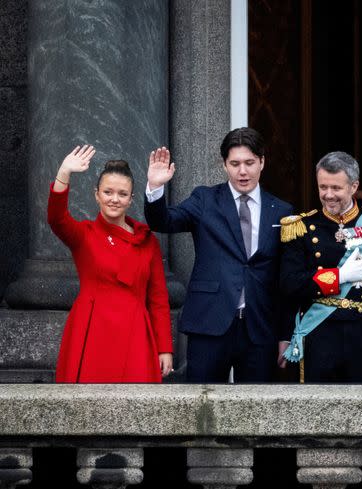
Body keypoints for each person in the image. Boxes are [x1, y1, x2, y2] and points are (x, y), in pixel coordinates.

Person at [144, 127, 293, 383]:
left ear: (262, 162)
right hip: (209, 323)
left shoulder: (281, 210)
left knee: (256, 410)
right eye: (234, 163)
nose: (242, 171)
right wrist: (155, 188)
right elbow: (164, 221)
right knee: (202, 408)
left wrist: (285, 334)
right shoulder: (205, 199)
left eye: (249, 163)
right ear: (224, 165)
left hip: (259, 328)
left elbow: (284, 279)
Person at [48, 145, 173, 382]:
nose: (114, 199)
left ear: (130, 199)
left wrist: (164, 348)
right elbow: (56, 219)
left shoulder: (147, 241)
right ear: (96, 195)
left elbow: (158, 299)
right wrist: (64, 173)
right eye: (108, 192)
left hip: (135, 332)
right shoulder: (84, 234)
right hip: (92, 330)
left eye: (122, 194)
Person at [279, 151, 362, 383]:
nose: (328, 195)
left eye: (336, 188)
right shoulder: (302, 227)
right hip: (319, 333)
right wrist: (339, 277)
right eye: (322, 187)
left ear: (353, 186)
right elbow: (290, 284)